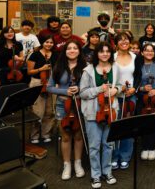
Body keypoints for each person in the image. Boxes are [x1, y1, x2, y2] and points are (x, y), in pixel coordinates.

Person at [80, 42, 120, 188]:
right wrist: (98, 89)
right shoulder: (88, 70)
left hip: (110, 111)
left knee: (108, 144)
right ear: (96, 53)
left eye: (107, 51)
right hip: (92, 112)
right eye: (101, 51)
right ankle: (95, 175)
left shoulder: (116, 68)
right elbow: (82, 92)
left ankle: (107, 172)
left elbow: (121, 85)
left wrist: (116, 89)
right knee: (94, 146)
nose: (105, 54)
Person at [47, 40, 87, 180]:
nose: (72, 50)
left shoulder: (85, 66)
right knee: (65, 136)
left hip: (80, 104)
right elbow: (49, 87)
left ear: (79, 51)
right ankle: (67, 164)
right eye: (69, 48)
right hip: (62, 105)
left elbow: (91, 86)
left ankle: (78, 163)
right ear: (65, 51)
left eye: (75, 48)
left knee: (78, 135)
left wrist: (80, 88)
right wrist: (65, 91)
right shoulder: (58, 66)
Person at [111, 32, 137, 170]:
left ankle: (125, 156)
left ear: (130, 41)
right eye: (120, 40)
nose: (124, 42)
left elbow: (138, 76)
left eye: (126, 39)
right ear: (116, 43)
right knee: (115, 127)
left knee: (128, 128)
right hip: (115, 96)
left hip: (130, 96)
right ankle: (114, 156)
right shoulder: (112, 57)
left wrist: (134, 89)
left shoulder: (135, 57)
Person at [27, 35, 57, 144]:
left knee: (49, 111)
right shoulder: (34, 54)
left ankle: (46, 134)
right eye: (46, 42)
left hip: (51, 83)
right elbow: (29, 72)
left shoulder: (55, 55)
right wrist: (41, 69)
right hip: (37, 83)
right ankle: (34, 135)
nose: (49, 44)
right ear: (42, 43)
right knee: (37, 111)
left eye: (51, 42)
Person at [135, 43, 155, 161]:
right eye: (146, 50)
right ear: (142, 52)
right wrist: (142, 89)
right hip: (142, 98)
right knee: (143, 122)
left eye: (152, 50)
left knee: (154, 122)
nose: (149, 52)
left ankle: (152, 147)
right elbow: (135, 84)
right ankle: (144, 147)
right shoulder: (138, 66)